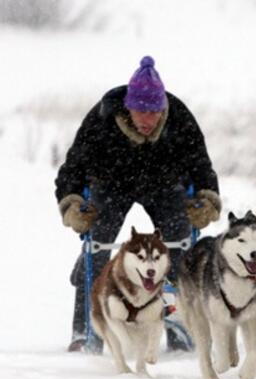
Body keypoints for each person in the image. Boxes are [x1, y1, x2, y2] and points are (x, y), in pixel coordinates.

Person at [55, 56, 221, 352]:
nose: (148, 119)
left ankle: (181, 328)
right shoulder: (102, 118)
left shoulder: (179, 116)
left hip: (165, 186)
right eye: (141, 111)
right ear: (128, 107)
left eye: (155, 112)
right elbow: (72, 168)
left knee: (179, 247)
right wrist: (71, 204)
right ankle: (84, 331)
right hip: (111, 185)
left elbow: (201, 165)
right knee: (97, 247)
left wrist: (207, 198)